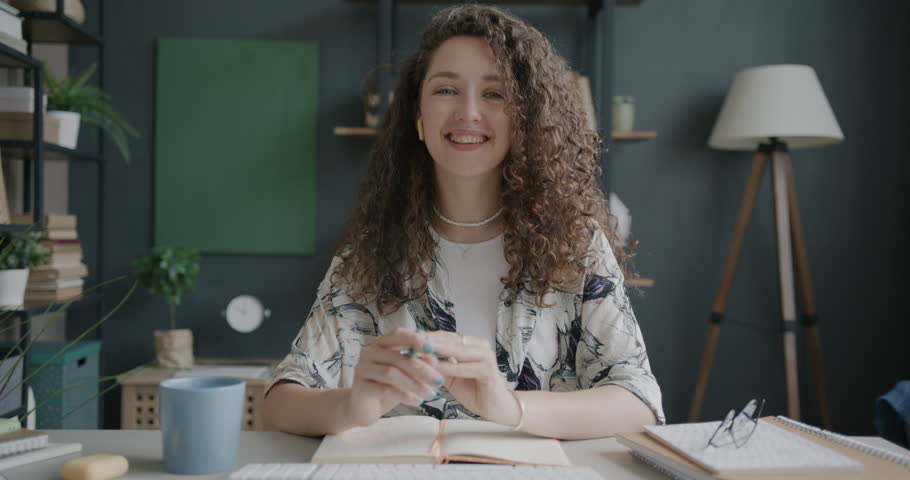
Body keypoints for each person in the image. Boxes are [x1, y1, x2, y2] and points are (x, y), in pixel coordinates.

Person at [263, 4, 664, 440]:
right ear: (418, 114)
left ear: (523, 118)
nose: (468, 112)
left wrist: (509, 406)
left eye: (494, 94)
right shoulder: (371, 249)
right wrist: (352, 404)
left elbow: (638, 402)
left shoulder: (575, 245)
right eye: (446, 90)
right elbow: (280, 403)